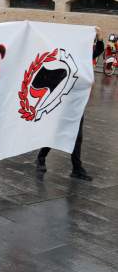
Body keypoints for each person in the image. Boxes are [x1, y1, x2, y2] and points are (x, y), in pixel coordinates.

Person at [35, 27, 105, 181]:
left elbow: (98, 50)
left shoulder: (84, 58)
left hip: (77, 104)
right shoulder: (64, 59)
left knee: (77, 136)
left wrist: (99, 38)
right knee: (55, 132)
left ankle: (77, 168)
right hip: (62, 103)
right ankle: (41, 157)